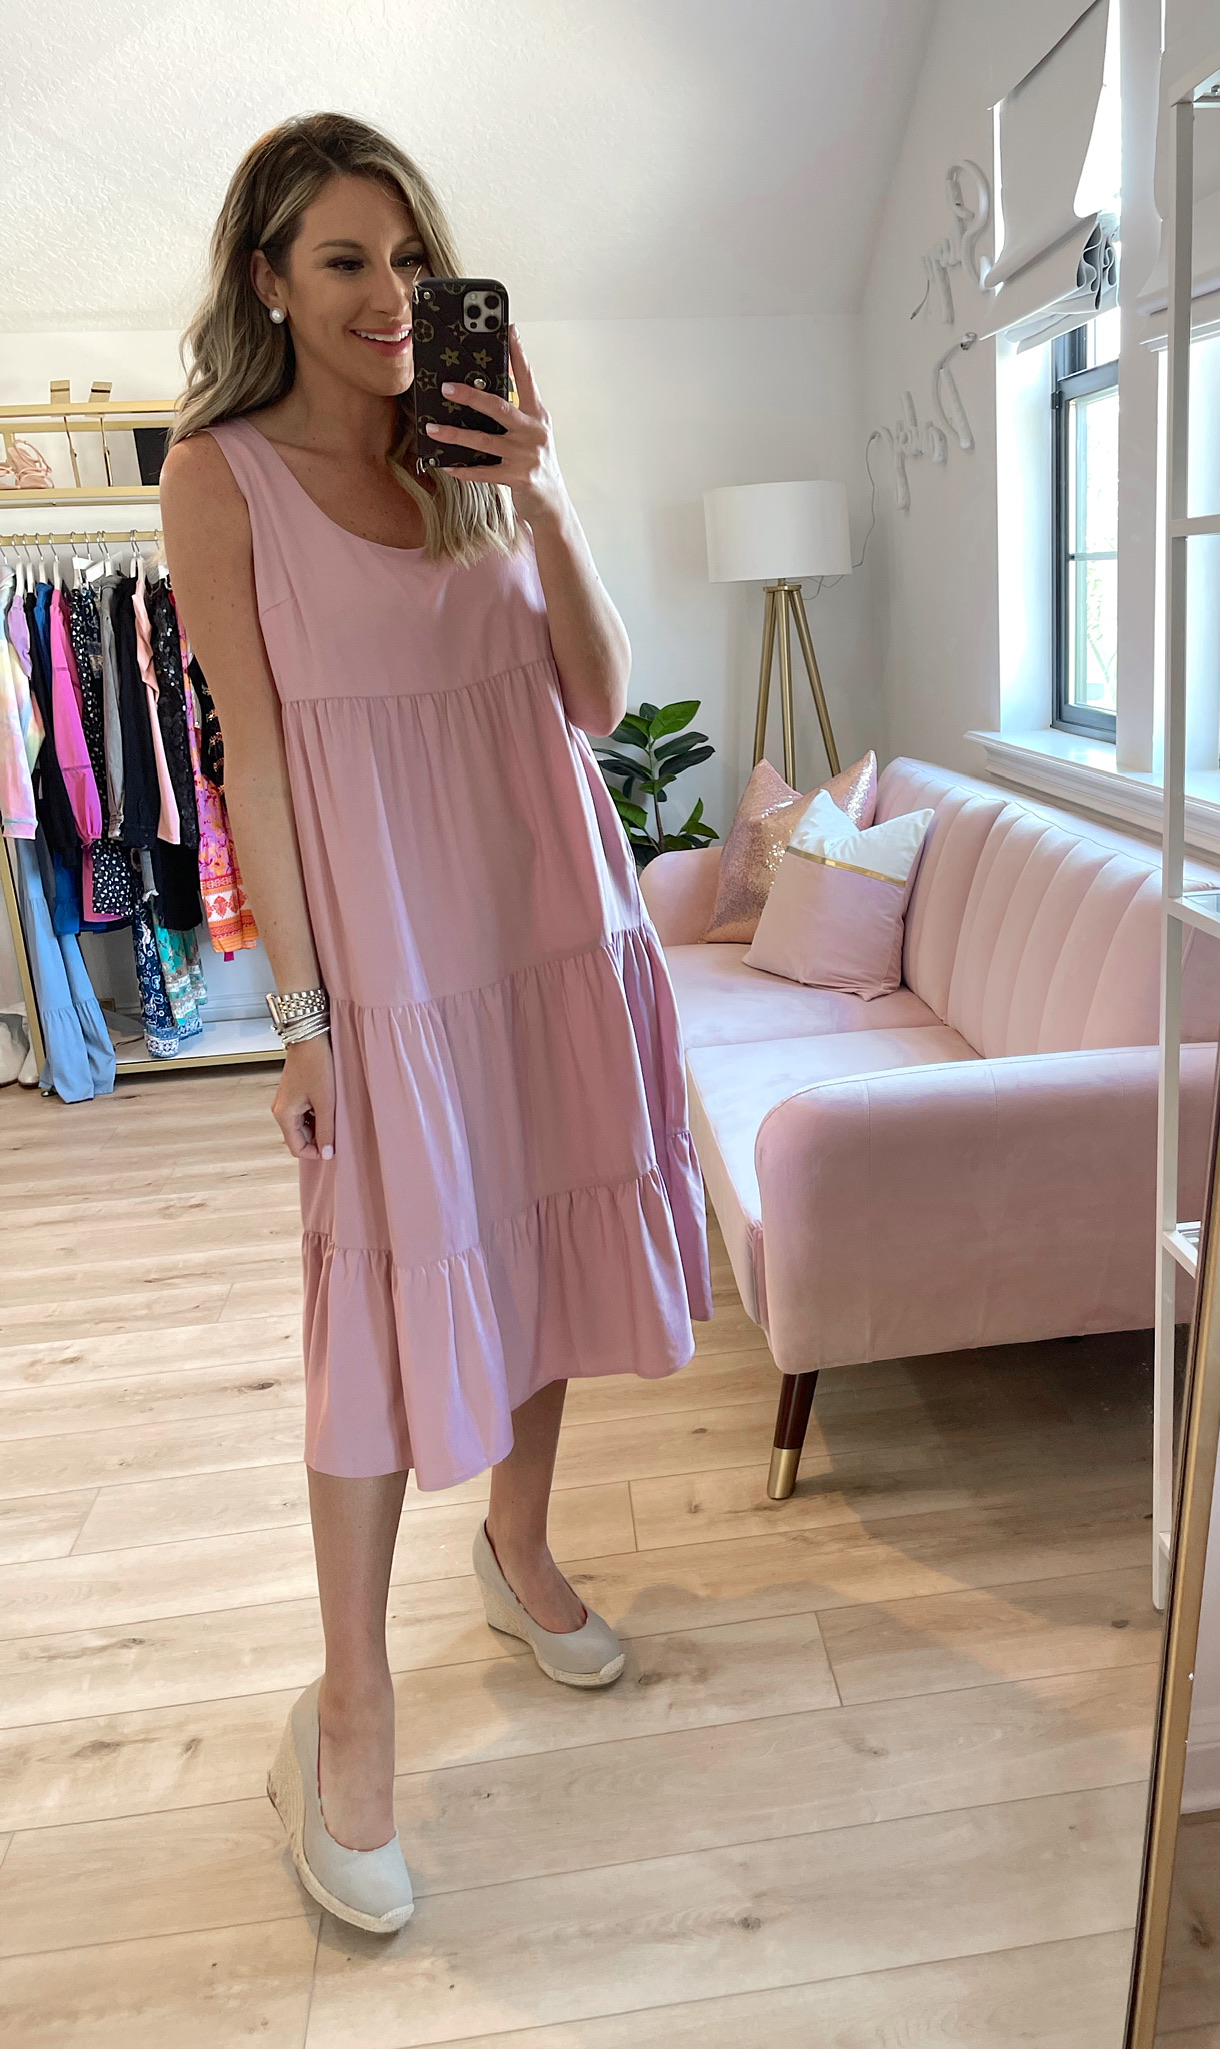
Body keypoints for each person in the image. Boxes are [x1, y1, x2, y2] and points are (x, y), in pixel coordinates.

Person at [160, 113, 711, 1934]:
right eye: (343, 259)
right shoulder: (219, 477)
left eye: (409, 257)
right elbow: (252, 763)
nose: (389, 295)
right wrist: (301, 1018)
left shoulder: (477, 445)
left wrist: (547, 492)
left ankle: (521, 1546)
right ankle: (349, 1713)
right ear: (268, 279)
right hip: (391, 959)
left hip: (549, 915)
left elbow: (598, 697)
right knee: (376, 1316)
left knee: (538, 1236)